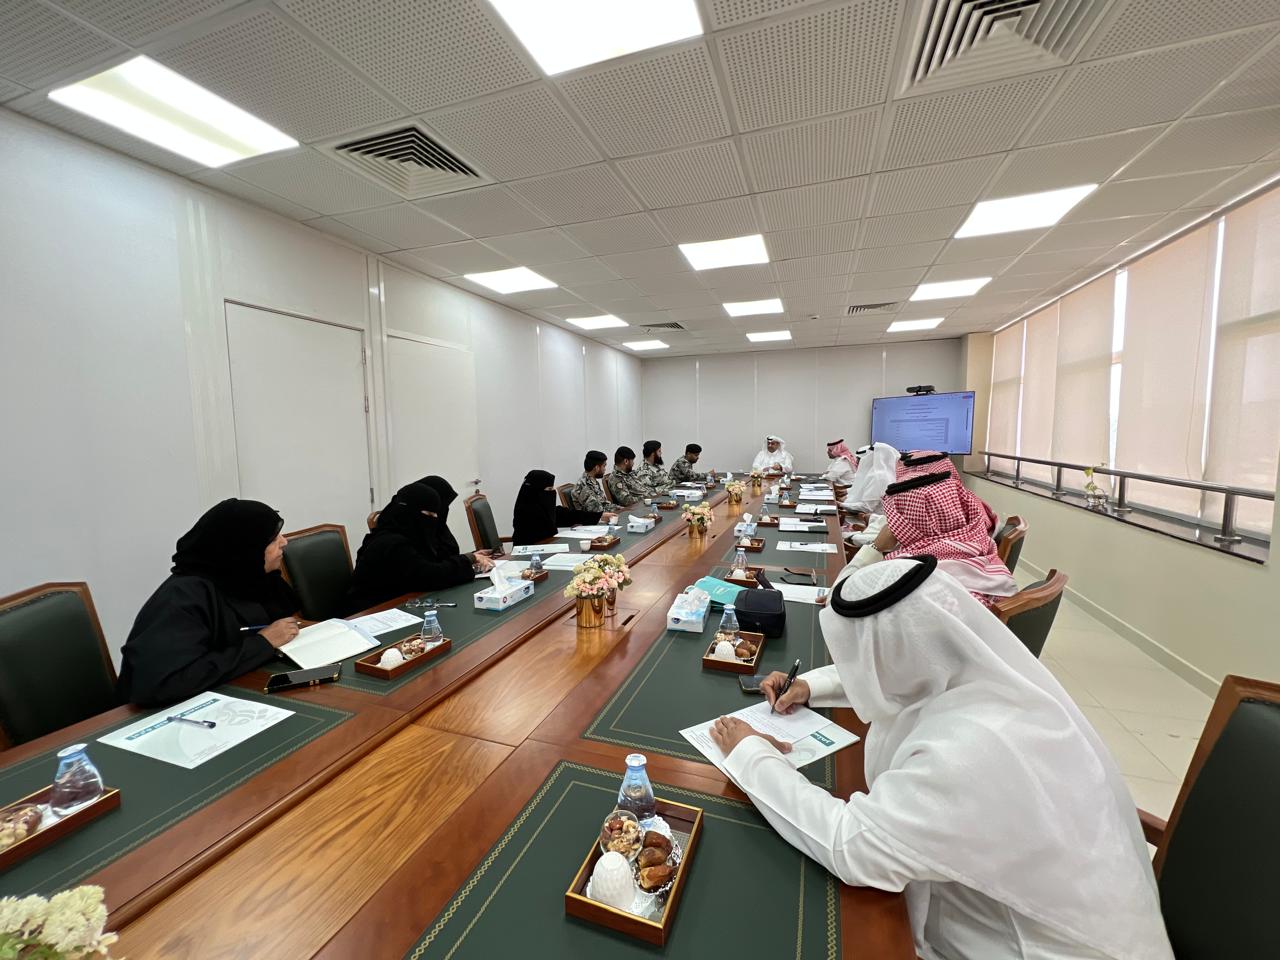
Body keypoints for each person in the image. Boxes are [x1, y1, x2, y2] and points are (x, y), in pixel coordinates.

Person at [710, 557, 1175, 960]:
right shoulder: (986, 676)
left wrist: (750, 753)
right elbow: (906, 674)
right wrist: (812, 685)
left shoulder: (971, 749)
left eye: (855, 655)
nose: (854, 667)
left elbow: (851, 848)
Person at [116, 499, 301, 707]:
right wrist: (262, 644)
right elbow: (163, 683)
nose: (284, 542)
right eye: (273, 539)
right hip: (167, 713)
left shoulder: (250, 578)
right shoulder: (182, 597)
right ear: (244, 548)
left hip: (239, 694)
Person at [850, 471, 1015, 607]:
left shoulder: (905, 572)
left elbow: (844, 598)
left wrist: (876, 548)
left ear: (908, 522)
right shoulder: (983, 545)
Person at [344, 482, 493, 614]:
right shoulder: (390, 542)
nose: (434, 520)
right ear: (408, 511)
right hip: (370, 613)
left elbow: (433, 564)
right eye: (428, 514)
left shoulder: (411, 535)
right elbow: (430, 575)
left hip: (399, 606)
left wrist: (468, 559)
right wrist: (469, 558)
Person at [512, 469, 616, 545]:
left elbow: (568, 515)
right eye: (549, 490)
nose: (552, 493)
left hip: (549, 548)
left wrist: (599, 516)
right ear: (536, 491)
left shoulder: (542, 507)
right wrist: (580, 542)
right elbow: (540, 541)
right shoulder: (526, 513)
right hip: (528, 555)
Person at [839, 442, 899, 514]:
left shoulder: (879, 477)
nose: (857, 462)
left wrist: (840, 504)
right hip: (863, 514)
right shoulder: (877, 473)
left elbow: (866, 507)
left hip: (870, 517)